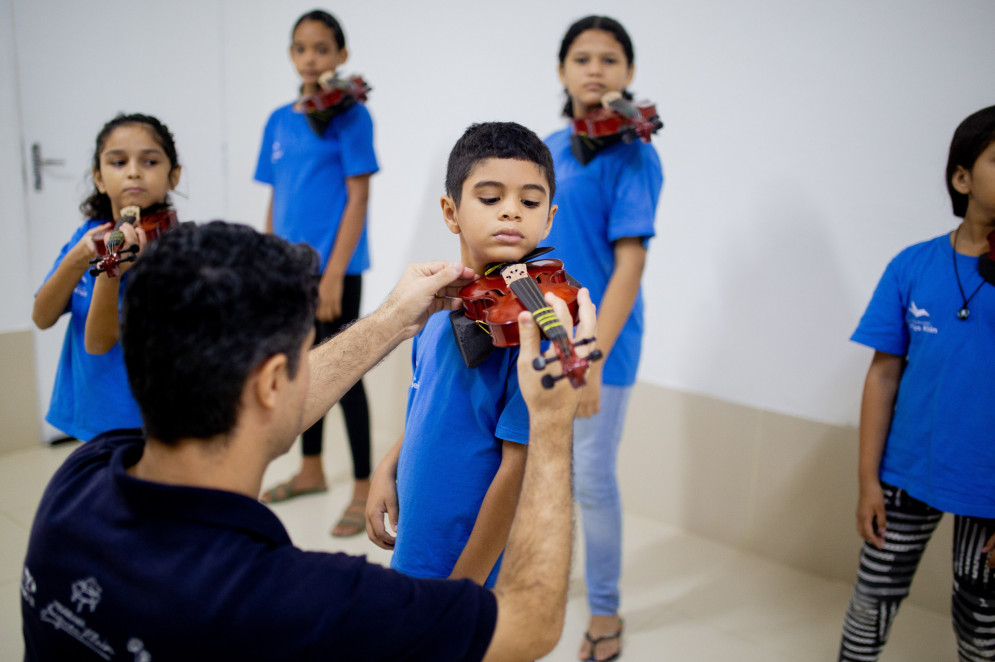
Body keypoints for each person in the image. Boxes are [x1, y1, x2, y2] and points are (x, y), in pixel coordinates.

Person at [20, 220, 595, 661]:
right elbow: (531, 622)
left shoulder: (77, 483)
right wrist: (549, 425)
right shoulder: (300, 602)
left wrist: (392, 319)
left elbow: (265, 405)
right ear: (272, 382)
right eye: (302, 353)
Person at [364, 122, 567, 588]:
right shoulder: (435, 309)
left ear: (549, 218)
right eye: (491, 198)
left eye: (530, 202)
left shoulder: (532, 332)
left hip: (474, 567)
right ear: (451, 212)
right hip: (420, 543)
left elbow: (518, 470)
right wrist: (386, 469)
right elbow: (425, 409)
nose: (512, 212)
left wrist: (465, 586)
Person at [838, 105, 995, 661]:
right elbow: (883, 375)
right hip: (904, 475)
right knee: (871, 603)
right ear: (962, 177)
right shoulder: (912, 266)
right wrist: (867, 481)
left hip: (991, 496)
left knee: (982, 623)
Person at [542, 15, 664, 661]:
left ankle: (605, 610)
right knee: (540, 469)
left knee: (590, 475)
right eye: (582, 57)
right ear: (562, 71)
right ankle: (540, 580)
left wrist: (588, 358)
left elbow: (630, 265)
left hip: (601, 343)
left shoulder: (636, 155)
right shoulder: (544, 148)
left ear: (628, 75)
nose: (595, 68)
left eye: (609, 59)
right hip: (539, 334)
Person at [254, 9, 378, 537]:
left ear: (341, 56)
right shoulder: (279, 120)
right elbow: (277, 196)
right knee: (302, 368)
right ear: (290, 54)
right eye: (301, 48)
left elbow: (358, 196)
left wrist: (331, 275)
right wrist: (266, 261)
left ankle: (366, 486)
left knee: (345, 371)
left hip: (336, 273)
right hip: (290, 272)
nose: (311, 58)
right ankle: (310, 469)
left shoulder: (352, 116)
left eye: (322, 48)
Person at [31, 113, 182, 442]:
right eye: (118, 162)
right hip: (94, 410)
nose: (133, 171)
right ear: (99, 178)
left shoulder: (175, 250)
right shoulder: (87, 237)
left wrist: (111, 269)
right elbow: (42, 317)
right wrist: (77, 259)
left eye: (150, 161)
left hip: (151, 417)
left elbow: (99, 343)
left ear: (174, 175)